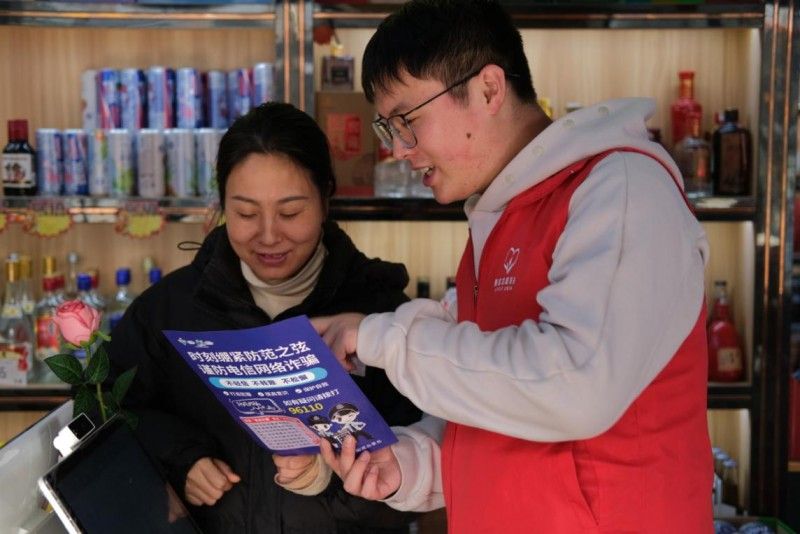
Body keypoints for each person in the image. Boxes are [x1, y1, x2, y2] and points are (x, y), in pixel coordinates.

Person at [282, 0, 714, 532]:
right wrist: (407, 466)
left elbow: (576, 387)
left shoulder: (622, 189)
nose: (399, 150)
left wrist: (380, 338)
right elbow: (496, 410)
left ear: (489, 89)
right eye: (388, 129)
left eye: (407, 121)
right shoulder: (500, 217)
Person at [107, 102, 422, 533]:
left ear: (325, 199)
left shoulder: (381, 316)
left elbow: (429, 464)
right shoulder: (169, 311)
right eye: (246, 213)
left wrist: (326, 476)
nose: (269, 235)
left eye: (290, 213)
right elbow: (106, 411)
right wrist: (179, 460)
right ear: (222, 205)